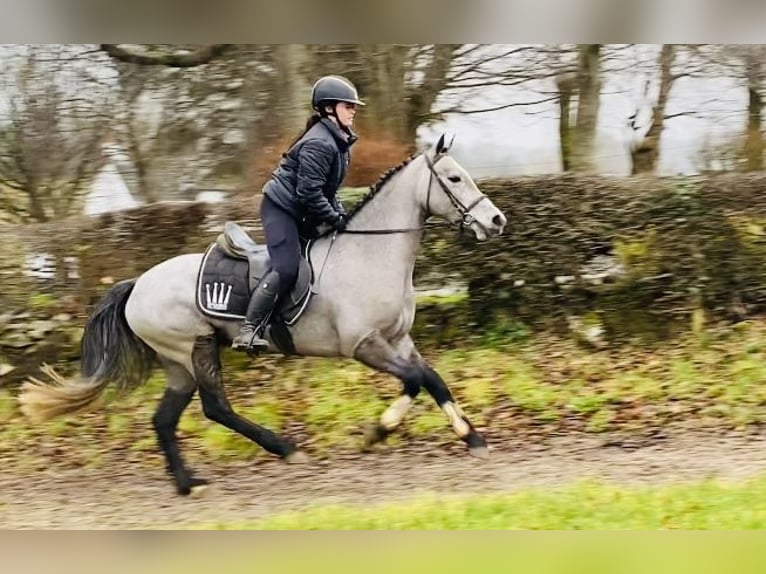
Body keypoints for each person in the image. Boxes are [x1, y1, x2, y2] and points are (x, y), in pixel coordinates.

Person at [232, 75, 365, 353]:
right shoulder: (320, 143)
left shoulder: (338, 142)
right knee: (287, 268)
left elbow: (327, 192)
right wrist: (336, 219)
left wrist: (343, 217)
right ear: (329, 108)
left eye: (354, 106)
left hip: (301, 211)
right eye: (347, 105)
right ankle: (248, 329)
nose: (353, 110)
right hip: (281, 210)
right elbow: (309, 194)